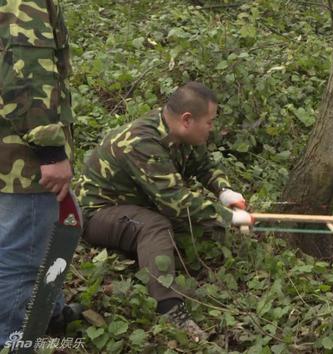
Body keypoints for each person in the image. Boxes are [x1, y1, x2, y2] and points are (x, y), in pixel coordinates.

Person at [76, 82, 253, 342]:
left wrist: (224, 191)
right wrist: (227, 217)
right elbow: (175, 201)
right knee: (156, 225)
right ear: (187, 120)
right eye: (210, 122)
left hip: (137, 204)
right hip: (98, 212)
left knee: (203, 228)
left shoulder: (181, 133)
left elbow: (204, 166)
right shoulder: (143, 142)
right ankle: (169, 307)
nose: (212, 128)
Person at [0, 0, 78, 345]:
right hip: (21, 155)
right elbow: (27, 70)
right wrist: (49, 150)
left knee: (41, 238)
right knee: (23, 255)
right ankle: (14, 340)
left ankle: (49, 312)